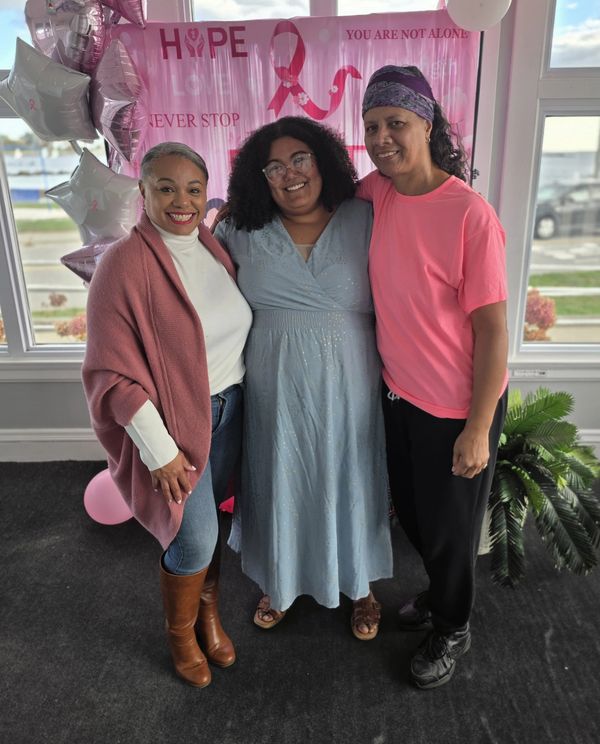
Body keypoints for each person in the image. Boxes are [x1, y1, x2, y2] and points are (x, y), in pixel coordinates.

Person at [214, 116, 393, 639]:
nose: (289, 174)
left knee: (351, 476)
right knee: (281, 476)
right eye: (274, 167)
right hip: (274, 386)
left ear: (323, 161)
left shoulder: (367, 218)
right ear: (260, 179)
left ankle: (360, 585)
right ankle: (280, 581)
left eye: (299, 159)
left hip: (351, 383)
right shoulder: (237, 230)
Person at [82, 142, 252, 688]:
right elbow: (111, 376)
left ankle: (208, 614)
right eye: (166, 188)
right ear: (143, 191)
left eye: (194, 189)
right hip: (175, 427)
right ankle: (180, 635)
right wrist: (160, 452)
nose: (182, 201)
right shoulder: (122, 265)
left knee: (214, 521)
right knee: (193, 537)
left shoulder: (211, 245)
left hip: (232, 409)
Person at [360, 65, 509, 689]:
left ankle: (453, 624)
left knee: (449, 533)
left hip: (456, 406)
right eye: (371, 125)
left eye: (395, 123)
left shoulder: (469, 214)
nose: (382, 138)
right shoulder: (378, 192)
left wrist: (478, 427)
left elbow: (494, 332)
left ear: (427, 124)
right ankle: (440, 594)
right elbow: (314, 197)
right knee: (418, 520)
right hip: (399, 396)